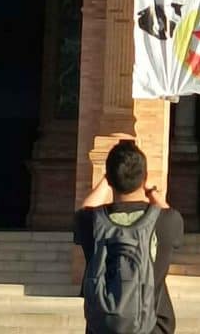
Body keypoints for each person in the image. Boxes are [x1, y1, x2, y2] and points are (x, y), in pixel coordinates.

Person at [74, 140, 184, 334]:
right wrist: (151, 191)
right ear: (144, 178)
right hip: (153, 326)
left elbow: (85, 208)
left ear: (109, 179)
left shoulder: (90, 221)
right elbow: (169, 212)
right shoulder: (167, 221)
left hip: (103, 328)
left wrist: (106, 180)